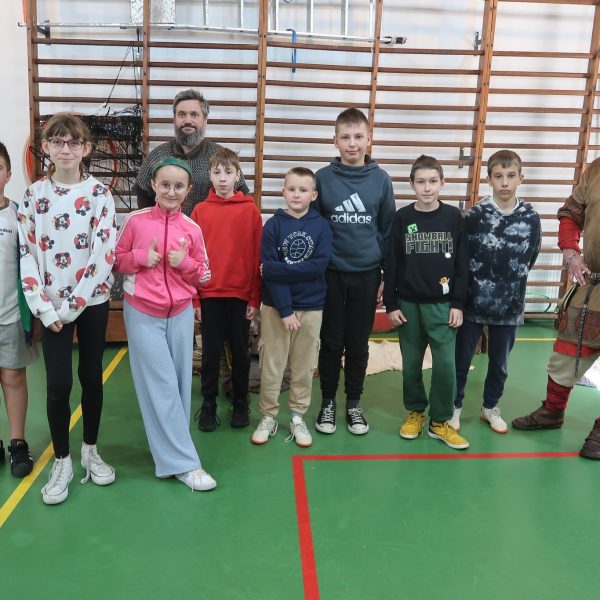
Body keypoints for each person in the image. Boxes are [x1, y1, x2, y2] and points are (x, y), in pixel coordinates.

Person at [17, 113, 116, 504]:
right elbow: (26, 255)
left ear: (86, 148)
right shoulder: (34, 196)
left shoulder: (99, 195)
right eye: (57, 142)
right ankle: (62, 460)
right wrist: (44, 308)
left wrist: (75, 304)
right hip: (51, 309)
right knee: (58, 385)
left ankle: (90, 449)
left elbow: (103, 252)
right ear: (46, 147)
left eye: (74, 142)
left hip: (90, 303)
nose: (66, 149)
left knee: (91, 376)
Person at [115, 157, 216, 491]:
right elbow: (115, 260)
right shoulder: (136, 221)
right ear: (153, 186)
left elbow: (204, 274)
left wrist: (183, 263)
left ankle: (172, 453)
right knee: (161, 385)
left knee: (180, 385)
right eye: (165, 185)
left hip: (181, 313)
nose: (171, 191)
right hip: (143, 313)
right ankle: (185, 464)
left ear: (188, 190)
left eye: (178, 186)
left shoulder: (192, 228)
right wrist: (141, 258)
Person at [313, 107, 396, 436]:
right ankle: (328, 402)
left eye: (358, 137)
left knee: (359, 344)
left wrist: (386, 276)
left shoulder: (381, 180)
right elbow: (313, 228)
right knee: (331, 342)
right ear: (334, 140)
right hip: (331, 274)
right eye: (345, 137)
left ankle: (353, 403)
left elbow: (387, 231)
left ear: (369, 138)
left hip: (367, 274)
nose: (352, 143)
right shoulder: (322, 179)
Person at [511, 156, 600, 459]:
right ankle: (552, 411)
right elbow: (571, 213)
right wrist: (571, 252)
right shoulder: (596, 169)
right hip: (592, 285)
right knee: (566, 353)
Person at [449, 150, 541, 434]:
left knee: (500, 364)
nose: (504, 182)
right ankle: (454, 406)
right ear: (489, 179)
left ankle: (490, 406)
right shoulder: (474, 215)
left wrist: (510, 284)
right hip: (472, 303)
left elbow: (531, 256)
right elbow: (461, 258)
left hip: (509, 305)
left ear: (521, 178)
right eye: (498, 176)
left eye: (511, 176)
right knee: (461, 360)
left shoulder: (531, 217)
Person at [384, 155, 470, 450]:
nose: (427, 187)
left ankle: (440, 421)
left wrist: (458, 303)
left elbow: (462, 264)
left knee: (445, 366)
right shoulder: (402, 218)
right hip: (408, 305)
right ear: (412, 184)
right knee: (411, 365)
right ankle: (415, 412)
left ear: (442, 183)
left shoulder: (453, 218)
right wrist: (391, 304)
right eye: (420, 182)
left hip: (443, 306)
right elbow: (392, 262)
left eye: (433, 181)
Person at [252, 167, 332, 447]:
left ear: (314, 195)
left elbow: (318, 266)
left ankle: (298, 416)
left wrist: (277, 269)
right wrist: (285, 310)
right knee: (272, 365)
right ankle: (268, 416)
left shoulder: (321, 226)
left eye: (303, 190)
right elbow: (269, 275)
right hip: (276, 308)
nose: (297, 195)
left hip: (311, 307)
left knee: (303, 366)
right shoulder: (273, 226)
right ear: (283, 191)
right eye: (291, 189)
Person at [190, 148, 262, 431]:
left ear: (237, 176)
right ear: (209, 175)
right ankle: (208, 404)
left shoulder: (250, 211)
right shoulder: (200, 210)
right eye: (217, 172)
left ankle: (241, 402)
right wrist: (196, 300)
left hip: (240, 296)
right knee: (209, 355)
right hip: (209, 296)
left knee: (241, 354)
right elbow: (194, 259)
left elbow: (257, 257)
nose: (222, 178)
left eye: (228, 172)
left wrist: (255, 297)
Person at [134, 89, 249, 215]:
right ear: (174, 119)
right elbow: (143, 195)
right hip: (168, 226)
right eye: (182, 114)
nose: (188, 120)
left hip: (209, 227)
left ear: (205, 120)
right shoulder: (158, 156)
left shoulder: (220, 156)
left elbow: (240, 194)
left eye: (194, 115)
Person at [0, 141, 36, 477]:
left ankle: (17, 442)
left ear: (8, 174)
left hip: (10, 315)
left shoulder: (17, 216)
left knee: (13, 376)